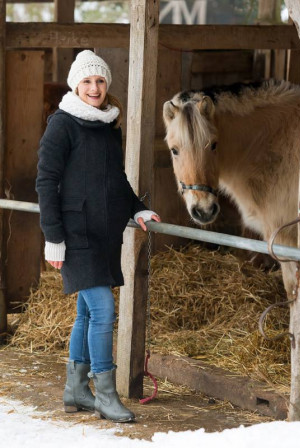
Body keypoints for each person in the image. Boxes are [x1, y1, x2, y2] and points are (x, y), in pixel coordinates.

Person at [36, 50, 161, 423]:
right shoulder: (61, 125)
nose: (95, 88)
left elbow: (115, 179)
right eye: (88, 81)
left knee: (87, 313)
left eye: (101, 81)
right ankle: (105, 394)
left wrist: (135, 207)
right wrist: (52, 237)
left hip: (103, 233)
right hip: (75, 235)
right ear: (76, 84)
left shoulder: (107, 124)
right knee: (104, 309)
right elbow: (45, 182)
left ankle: (75, 390)